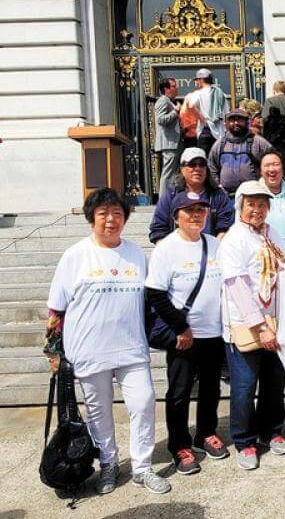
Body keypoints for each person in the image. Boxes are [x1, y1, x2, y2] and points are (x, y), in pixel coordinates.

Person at [44, 188, 171, 495]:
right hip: (89, 350)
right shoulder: (75, 255)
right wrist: (53, 351)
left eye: (117, 213)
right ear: (92, 219)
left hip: (131, 348)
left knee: (143, 404)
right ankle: (109, 465)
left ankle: (142, 467)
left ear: (125, 218)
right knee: (99, 411)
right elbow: (55, 310)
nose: (111, 220)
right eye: (103, 214)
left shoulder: (135, 255)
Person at [145, 191, 228, 475]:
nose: (196, 215)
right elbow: (155, 293)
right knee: (179, 393)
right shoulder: (166, 248)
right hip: (184, 336)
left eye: (201, 210)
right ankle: (179, 445)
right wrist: (181, 327)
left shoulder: (215, 244)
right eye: (189, 210)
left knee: (210, 388)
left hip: (214, 334)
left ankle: (206, 433)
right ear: (176, 216)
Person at [218, 180, 285, 470]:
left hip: (276, 320)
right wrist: (261, 327)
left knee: (274, 382)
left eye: (262, 204)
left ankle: (270, 431)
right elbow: (237, 287)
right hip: (246, 325)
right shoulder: (234, 240)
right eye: (251, 204)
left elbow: (284, 267)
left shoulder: (270, 235)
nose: (257, 210)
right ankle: (244, 441)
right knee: (245, 386)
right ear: (240, 206)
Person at [149, 147, 234, 244]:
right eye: (192, 164)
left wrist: (213, 250)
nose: (197, 169)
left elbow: (225, 228)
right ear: (182, 169)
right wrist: (169, 252)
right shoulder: (170, 195)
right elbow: (158, 230)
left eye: (202, 165)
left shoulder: (218, 195)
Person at [208, 109, 271, 197]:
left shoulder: (259, 142)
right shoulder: (220, 144)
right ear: (227, 123)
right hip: (226, 197)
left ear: (247, 122)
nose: (236, 123)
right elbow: (212, 167)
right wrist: (218, 186)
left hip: (252, 196)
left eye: (240, 120)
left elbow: (273, 162)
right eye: (232, 120)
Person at [182, 68, 229, 153]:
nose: (196, 82)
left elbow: (191, 106)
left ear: (201, 80)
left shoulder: (199, 93)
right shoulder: (221, 93)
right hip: (220, 133)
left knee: (205, 160)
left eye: (197, 80)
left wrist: (202, 119)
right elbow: (227, 114)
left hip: (205, 130)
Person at [155, 77, 181, 195]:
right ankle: (163, 201)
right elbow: (160, 120)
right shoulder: (163, 100)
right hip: (169, 143)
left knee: (173, 173)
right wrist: (175, 112)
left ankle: (170, 198)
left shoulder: (169, 101)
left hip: (173, 143)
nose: (177, 88)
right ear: (166, 89)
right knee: (168, 173)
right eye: (174, 86)